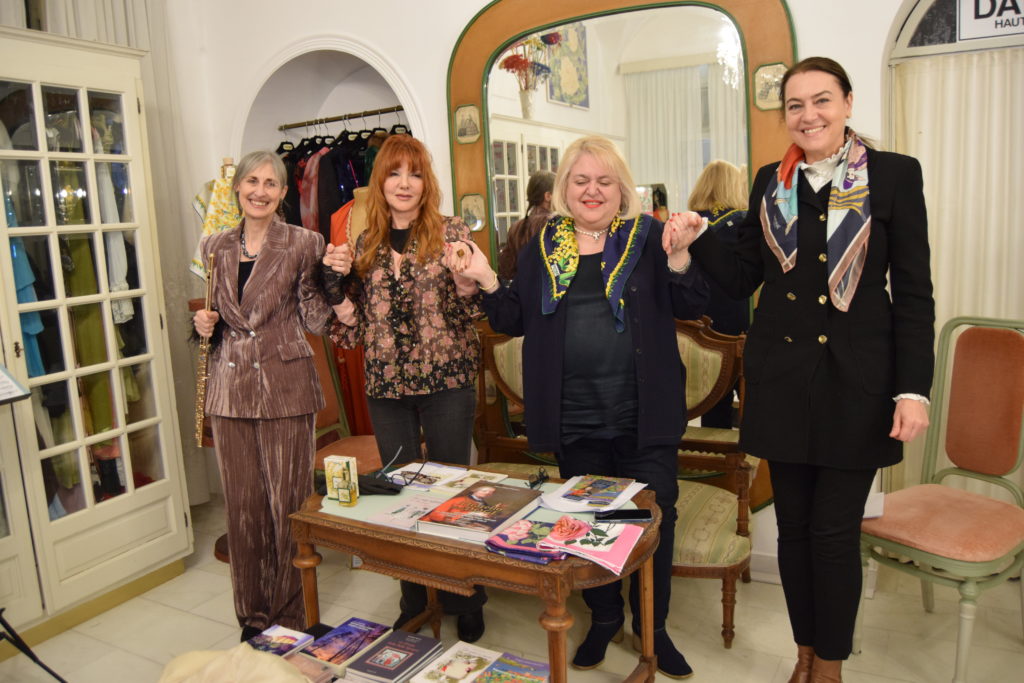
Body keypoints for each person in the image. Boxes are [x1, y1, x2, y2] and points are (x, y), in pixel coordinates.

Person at [669, 57, 934, 683]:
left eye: (821, 100)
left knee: (834, 533)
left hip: (858, 381)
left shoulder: (894, 175)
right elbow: (743, 276)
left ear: (847, 103)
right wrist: (695, 239)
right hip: (783, 378)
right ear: (784, 114)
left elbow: (913, 293)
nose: (808, 115)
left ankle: (830, 666)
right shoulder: (771, 181)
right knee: (793, 529)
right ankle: (805, 653)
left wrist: (912, 390)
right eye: (795, 105)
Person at [447, 134, 709, 679]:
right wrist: (486, 279)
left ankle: (653, 628)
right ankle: (606, 618)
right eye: (581, 180)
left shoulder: (649, 236)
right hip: (574, 417)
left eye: (604, 181)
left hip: (645, 415)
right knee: (591, 523)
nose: (593, 190)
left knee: (652, 521)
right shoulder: (542, 246)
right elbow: (512, 318)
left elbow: (691, 303)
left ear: (621, 189)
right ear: (564, 189)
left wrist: (681, 255)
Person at [320, 134, 487, 642]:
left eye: (414, 173)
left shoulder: (452, 232)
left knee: (452, 492)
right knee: (399, 493)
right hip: (387, 385)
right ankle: (414, 597)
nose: (404, 183)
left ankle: (464, 594)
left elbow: (476, 309)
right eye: (394, 173)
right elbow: (352, 325)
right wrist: (335, 291)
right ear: (381, 182)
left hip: (447, 380)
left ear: (426, 182)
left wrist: (467, 283)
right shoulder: (364, 242)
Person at [192, 150, 335, 640]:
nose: (260, 191)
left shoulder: (304, 242)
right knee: (243, 510)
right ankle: (252, 616)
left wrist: (333, 279)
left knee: (287, 507)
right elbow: (219, 319)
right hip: (230, 392)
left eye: (270, 183)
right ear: (237, 188)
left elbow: (316, 320)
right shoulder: (214, 246)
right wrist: (204, 324)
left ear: (283, 193)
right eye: (252, 181)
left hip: (285, 389)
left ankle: (290, 618)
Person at [686, 159, 750, 428]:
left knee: (712, 401)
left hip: (694, 327)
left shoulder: (686, 224)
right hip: (738, 324)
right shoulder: (744, 224)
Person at [496, 169, 555, 282]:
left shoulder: (515, 227)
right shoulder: (554, 224)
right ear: (548, 196)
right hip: (550, 290)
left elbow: (506, 270)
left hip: (524, 289)